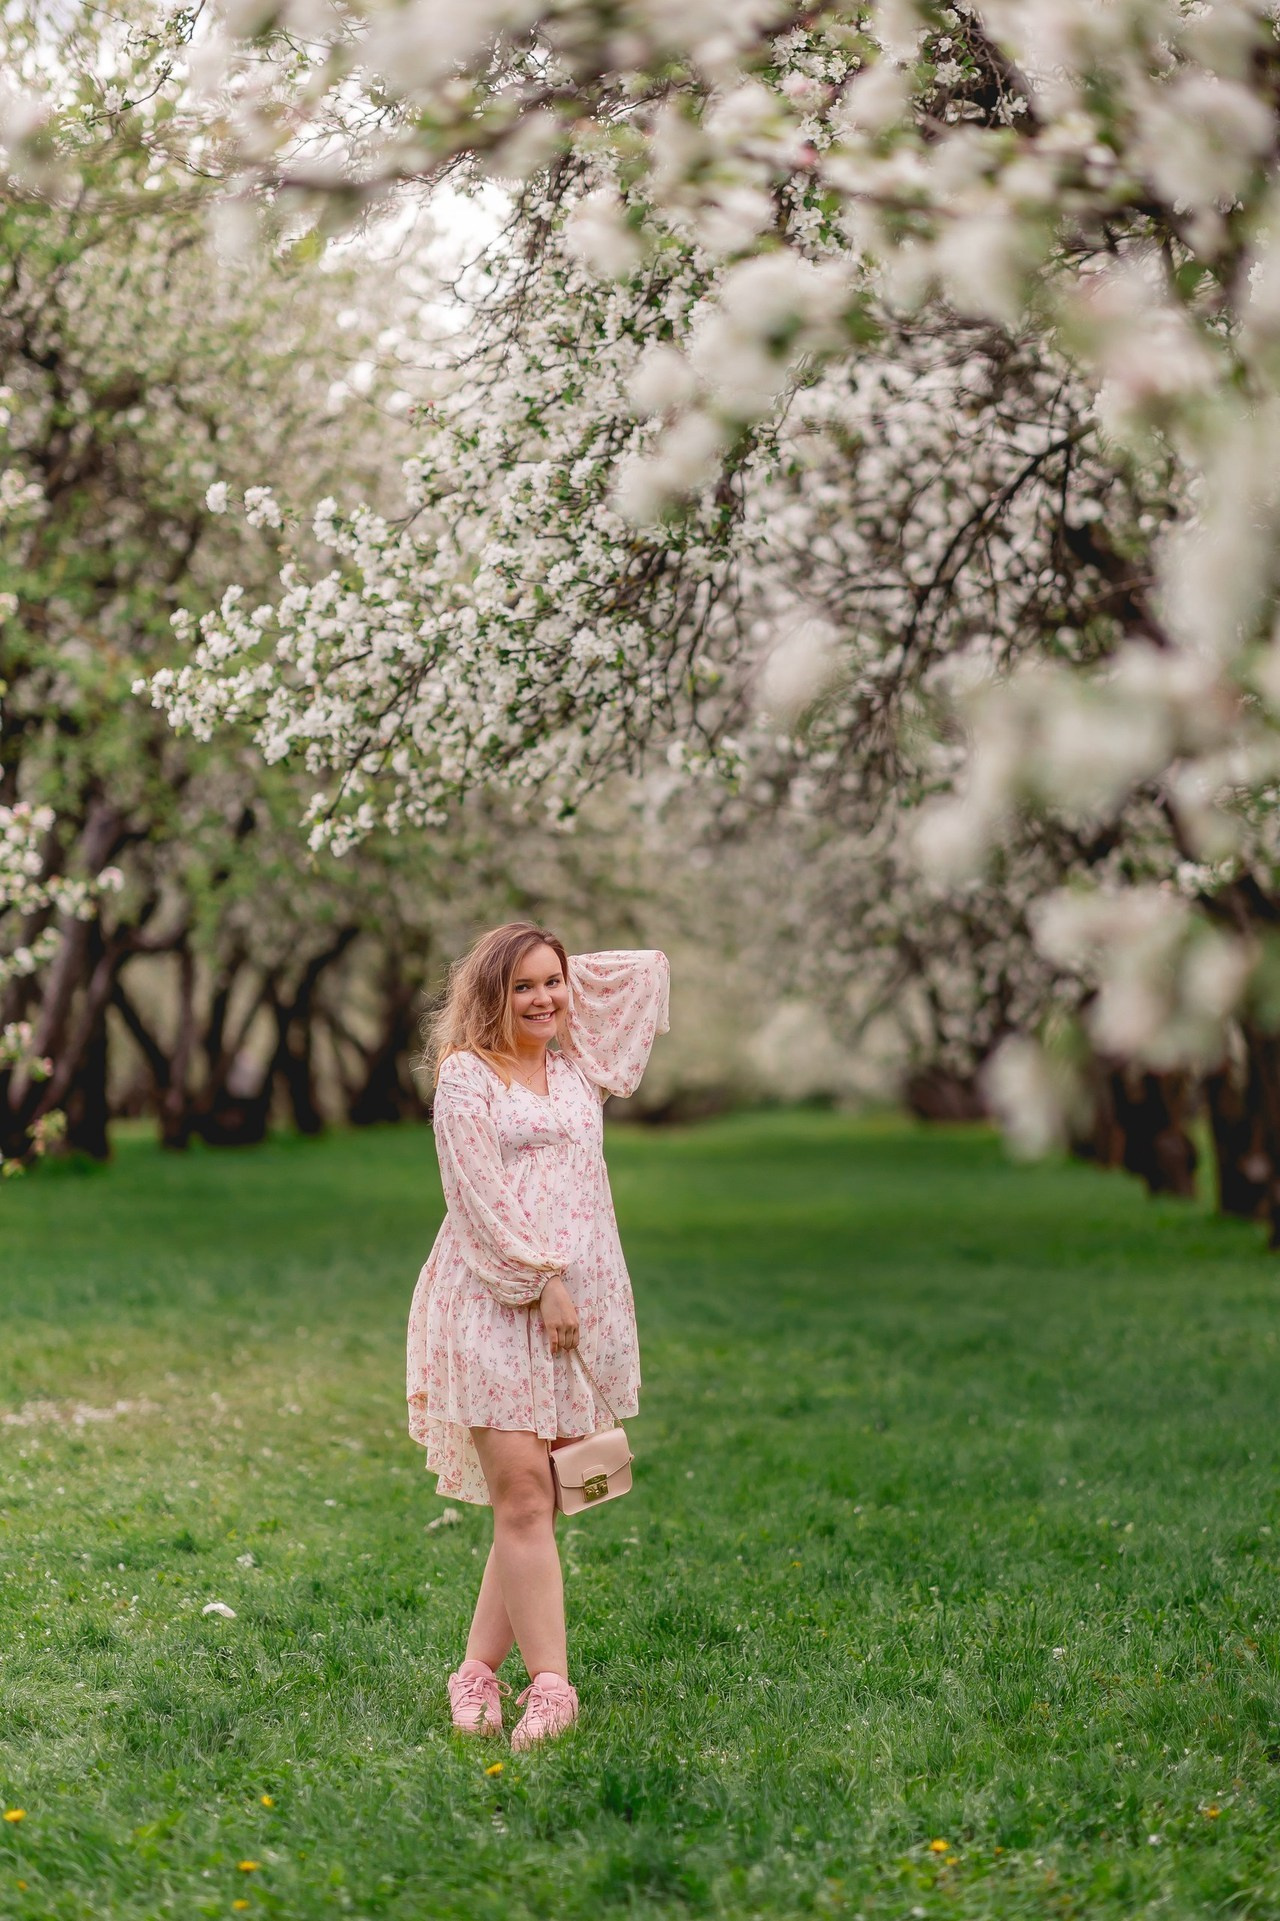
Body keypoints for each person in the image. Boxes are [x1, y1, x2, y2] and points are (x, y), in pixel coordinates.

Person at [407, 923, 670, 1750]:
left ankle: (475, 1672)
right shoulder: (466, 1077)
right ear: (490, 994)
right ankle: (553, 1688)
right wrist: (543, 1281)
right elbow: (477, 1196)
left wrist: (558, 970)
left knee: (539, 1501)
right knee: (522, 1496)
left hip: (572, 1313)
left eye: (553, 981)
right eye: (521, 986)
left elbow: (644, 974)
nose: (544, 998)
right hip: (496, 1300)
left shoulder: (576, 1071)